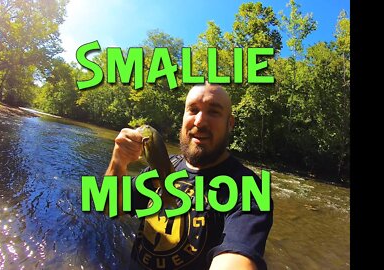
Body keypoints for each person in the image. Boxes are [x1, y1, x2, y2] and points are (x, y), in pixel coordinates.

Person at [105, 83, 273, 270]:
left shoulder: (248, 188)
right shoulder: (163, 166)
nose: (200, 121)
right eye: (193, 110)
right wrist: (118, 162)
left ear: (230, 123)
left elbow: (237, 259)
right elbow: (109, 208)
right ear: (184, 117)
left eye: (214, 112)